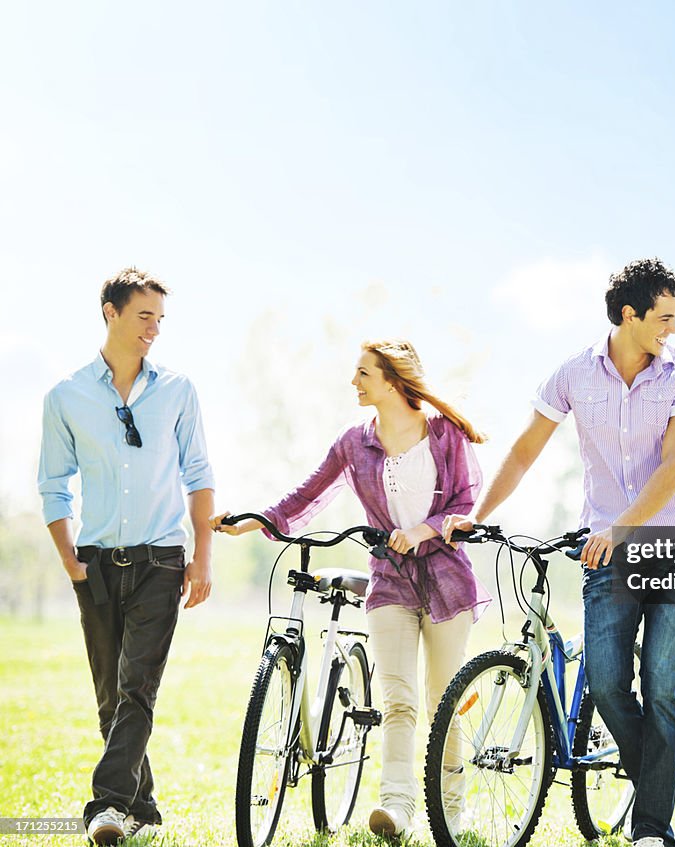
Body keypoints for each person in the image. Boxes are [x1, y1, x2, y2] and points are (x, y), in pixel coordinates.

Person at [444, 258, 675, 847]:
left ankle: (650, 829)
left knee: (663, 685)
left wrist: (620, 526)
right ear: (629, 314)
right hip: (607, 551)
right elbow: (523, 451)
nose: (673, 328)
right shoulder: (574, 374)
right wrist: (478, 516)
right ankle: (656, 790)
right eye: (663, 317)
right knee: (610, 682)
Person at [211, 339, 489, 838]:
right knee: (398, 699)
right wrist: (252, 521)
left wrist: (424, 530)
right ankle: (397, 806)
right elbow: (307, 494)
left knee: (442, 700)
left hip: (448, 582)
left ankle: (451, 809)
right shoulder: (354, 442)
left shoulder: (444, 433)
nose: (354, 382)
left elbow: (467, 503)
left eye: (363, 373)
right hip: (390, 583)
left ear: (391, 379)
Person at [37, 267, 215, 845]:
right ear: (110, 313)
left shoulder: (178, 391)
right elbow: (53, 484)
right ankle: (144, 809)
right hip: (94, 561)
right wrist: (69, 558)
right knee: (111, 697)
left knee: (137, 687)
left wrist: (202, 557)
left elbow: (199, 475)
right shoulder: (66, 396)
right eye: (144, 317)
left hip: (161, 560)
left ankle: (107, 806)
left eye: (160, 320)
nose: (154, 330)